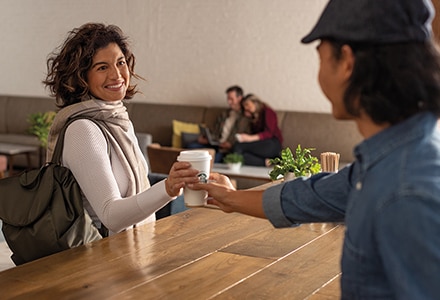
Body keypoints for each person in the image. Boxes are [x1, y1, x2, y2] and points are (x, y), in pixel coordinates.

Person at [191, 0, 440, 298]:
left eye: (320, 58)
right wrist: (230, 197)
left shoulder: (406, 191)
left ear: (347, 62)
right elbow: (311, 195)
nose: (319, 73)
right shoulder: (384, 162)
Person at [43, 23, 199, 235]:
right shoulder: (82, 130)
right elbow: (111, 216)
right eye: (102, 67)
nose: (117, 75)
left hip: (133, 250)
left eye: (120, 62)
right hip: (96, 259)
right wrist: (168, 188)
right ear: (81, 77)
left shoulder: (118, 120)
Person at [188, 85, 250, 162]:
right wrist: (207, 139)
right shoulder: (224, 114)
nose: (229, 102)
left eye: (231, 99)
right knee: (191, 146)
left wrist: (231, 144)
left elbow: (245, 136)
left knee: (214, 158)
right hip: (216, 144)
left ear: (239, 98)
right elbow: (215, 130)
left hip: (227, 149)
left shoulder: (245, 117)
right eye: (228, 99)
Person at [234, 94, 283, 166]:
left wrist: (249, 138)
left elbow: (269, 133)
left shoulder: (268, 111)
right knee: (239, 154)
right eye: (244, 107)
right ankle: (268, 162)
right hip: (260, 145)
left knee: (238, 147)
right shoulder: (253, 117)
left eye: (247, 105)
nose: (246, 108)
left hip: (272, 144)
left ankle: (273, 159)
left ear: (255, 103)